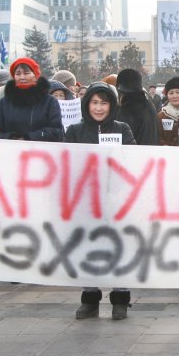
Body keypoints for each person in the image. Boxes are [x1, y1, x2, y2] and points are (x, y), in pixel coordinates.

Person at [64, 82, 136, 320]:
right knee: (88, 247)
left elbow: (133, 160)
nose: (98, 107)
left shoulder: (122, 128)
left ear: (112, 105)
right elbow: (68, 164)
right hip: (86, 198)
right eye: (94, 102)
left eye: (104, 103)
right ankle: (90, 299)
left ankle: (120, 299)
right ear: (87, 104)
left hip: (116, 197)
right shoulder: (74, 130)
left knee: (119, 247)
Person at [0, 58, 64, 142]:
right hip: (10, 151)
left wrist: (29, 137)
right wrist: (12, 138)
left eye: (26, 73)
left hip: (41, 152)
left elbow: (57, 132)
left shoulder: (49, 102)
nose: (22, 77)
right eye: (18, 74)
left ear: (36, 76)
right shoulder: (5, 102)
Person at [157, 77, 179, 146]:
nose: (174, 96)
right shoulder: (161, 115)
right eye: (171, 93)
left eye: (178, 92)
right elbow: (157, 137)